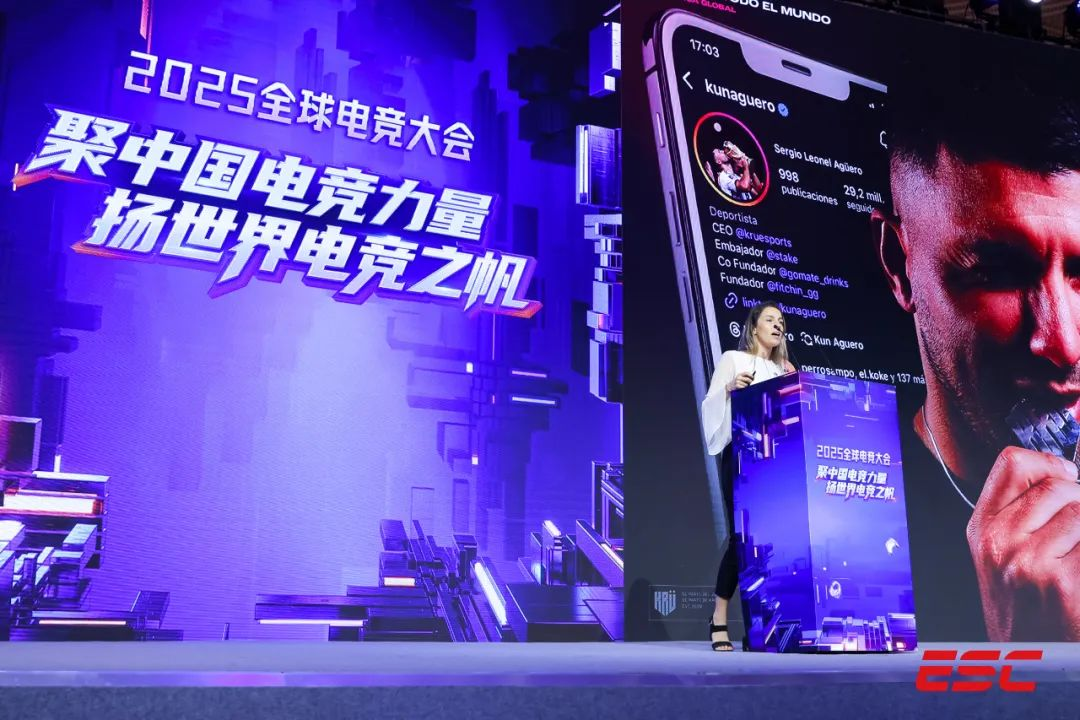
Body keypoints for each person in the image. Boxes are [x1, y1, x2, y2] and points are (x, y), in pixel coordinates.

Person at [874, 47, 1080, 640]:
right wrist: (1034, 665)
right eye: (998, 272)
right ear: (899, 265)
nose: (1063, 344)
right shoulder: (843, 530)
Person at [700, 301, 796, 651]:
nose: (777, 325)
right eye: (770, 319)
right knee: (742, 539)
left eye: (781, 321)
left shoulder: (784, 369)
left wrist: (794, 384)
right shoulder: (733, 359)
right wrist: (729, 390)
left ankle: (765, 625)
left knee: (774, 543)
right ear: (754, 327)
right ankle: (719, 617)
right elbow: (709, 404)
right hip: (743, 457)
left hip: (776, 465)